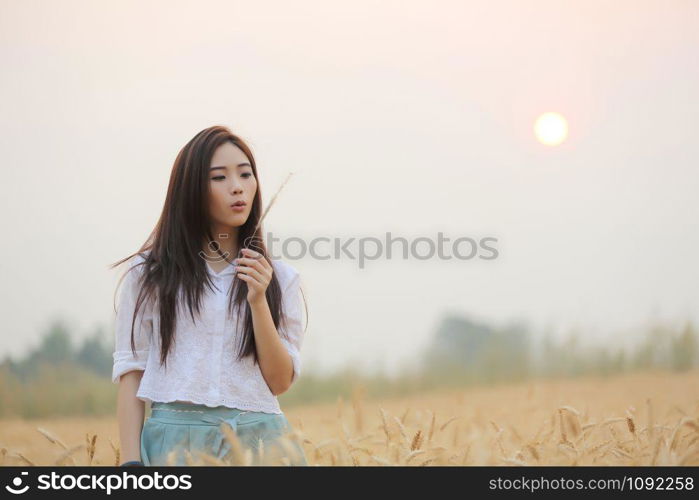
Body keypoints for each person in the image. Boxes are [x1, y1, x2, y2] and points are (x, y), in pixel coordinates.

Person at [110, 125, 308, 466]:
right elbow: (131, 374)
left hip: (261, 445)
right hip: (173, 447)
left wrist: (258, 300)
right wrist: (130, 465)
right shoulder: (148, 275)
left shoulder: (279, 279)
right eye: (219, 177)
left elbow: (279, 382)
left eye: (246, 175)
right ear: (190, 190)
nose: (237, 187)